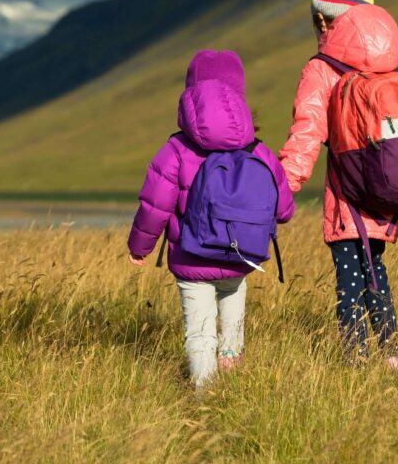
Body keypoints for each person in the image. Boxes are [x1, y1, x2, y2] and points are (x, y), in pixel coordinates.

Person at [279, 0, 398, 369]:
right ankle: (392, 358)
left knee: (349, 283)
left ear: (326, 21)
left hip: (348, 200)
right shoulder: (391, 66)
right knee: (376, 274)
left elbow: (307, 136)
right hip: (389, 196)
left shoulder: (322, 69)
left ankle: (356, 363)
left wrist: (278, 192)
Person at [127, 50, 296, 388]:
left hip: (191, 259)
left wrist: (139, 247)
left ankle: (206, 395)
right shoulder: (257, 149)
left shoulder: (176, 149)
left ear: (190, 97)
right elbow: (284, 209)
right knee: (231, 327)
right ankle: (231, 383)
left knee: (199, 332)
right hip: (240, 258)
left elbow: (155, 206)